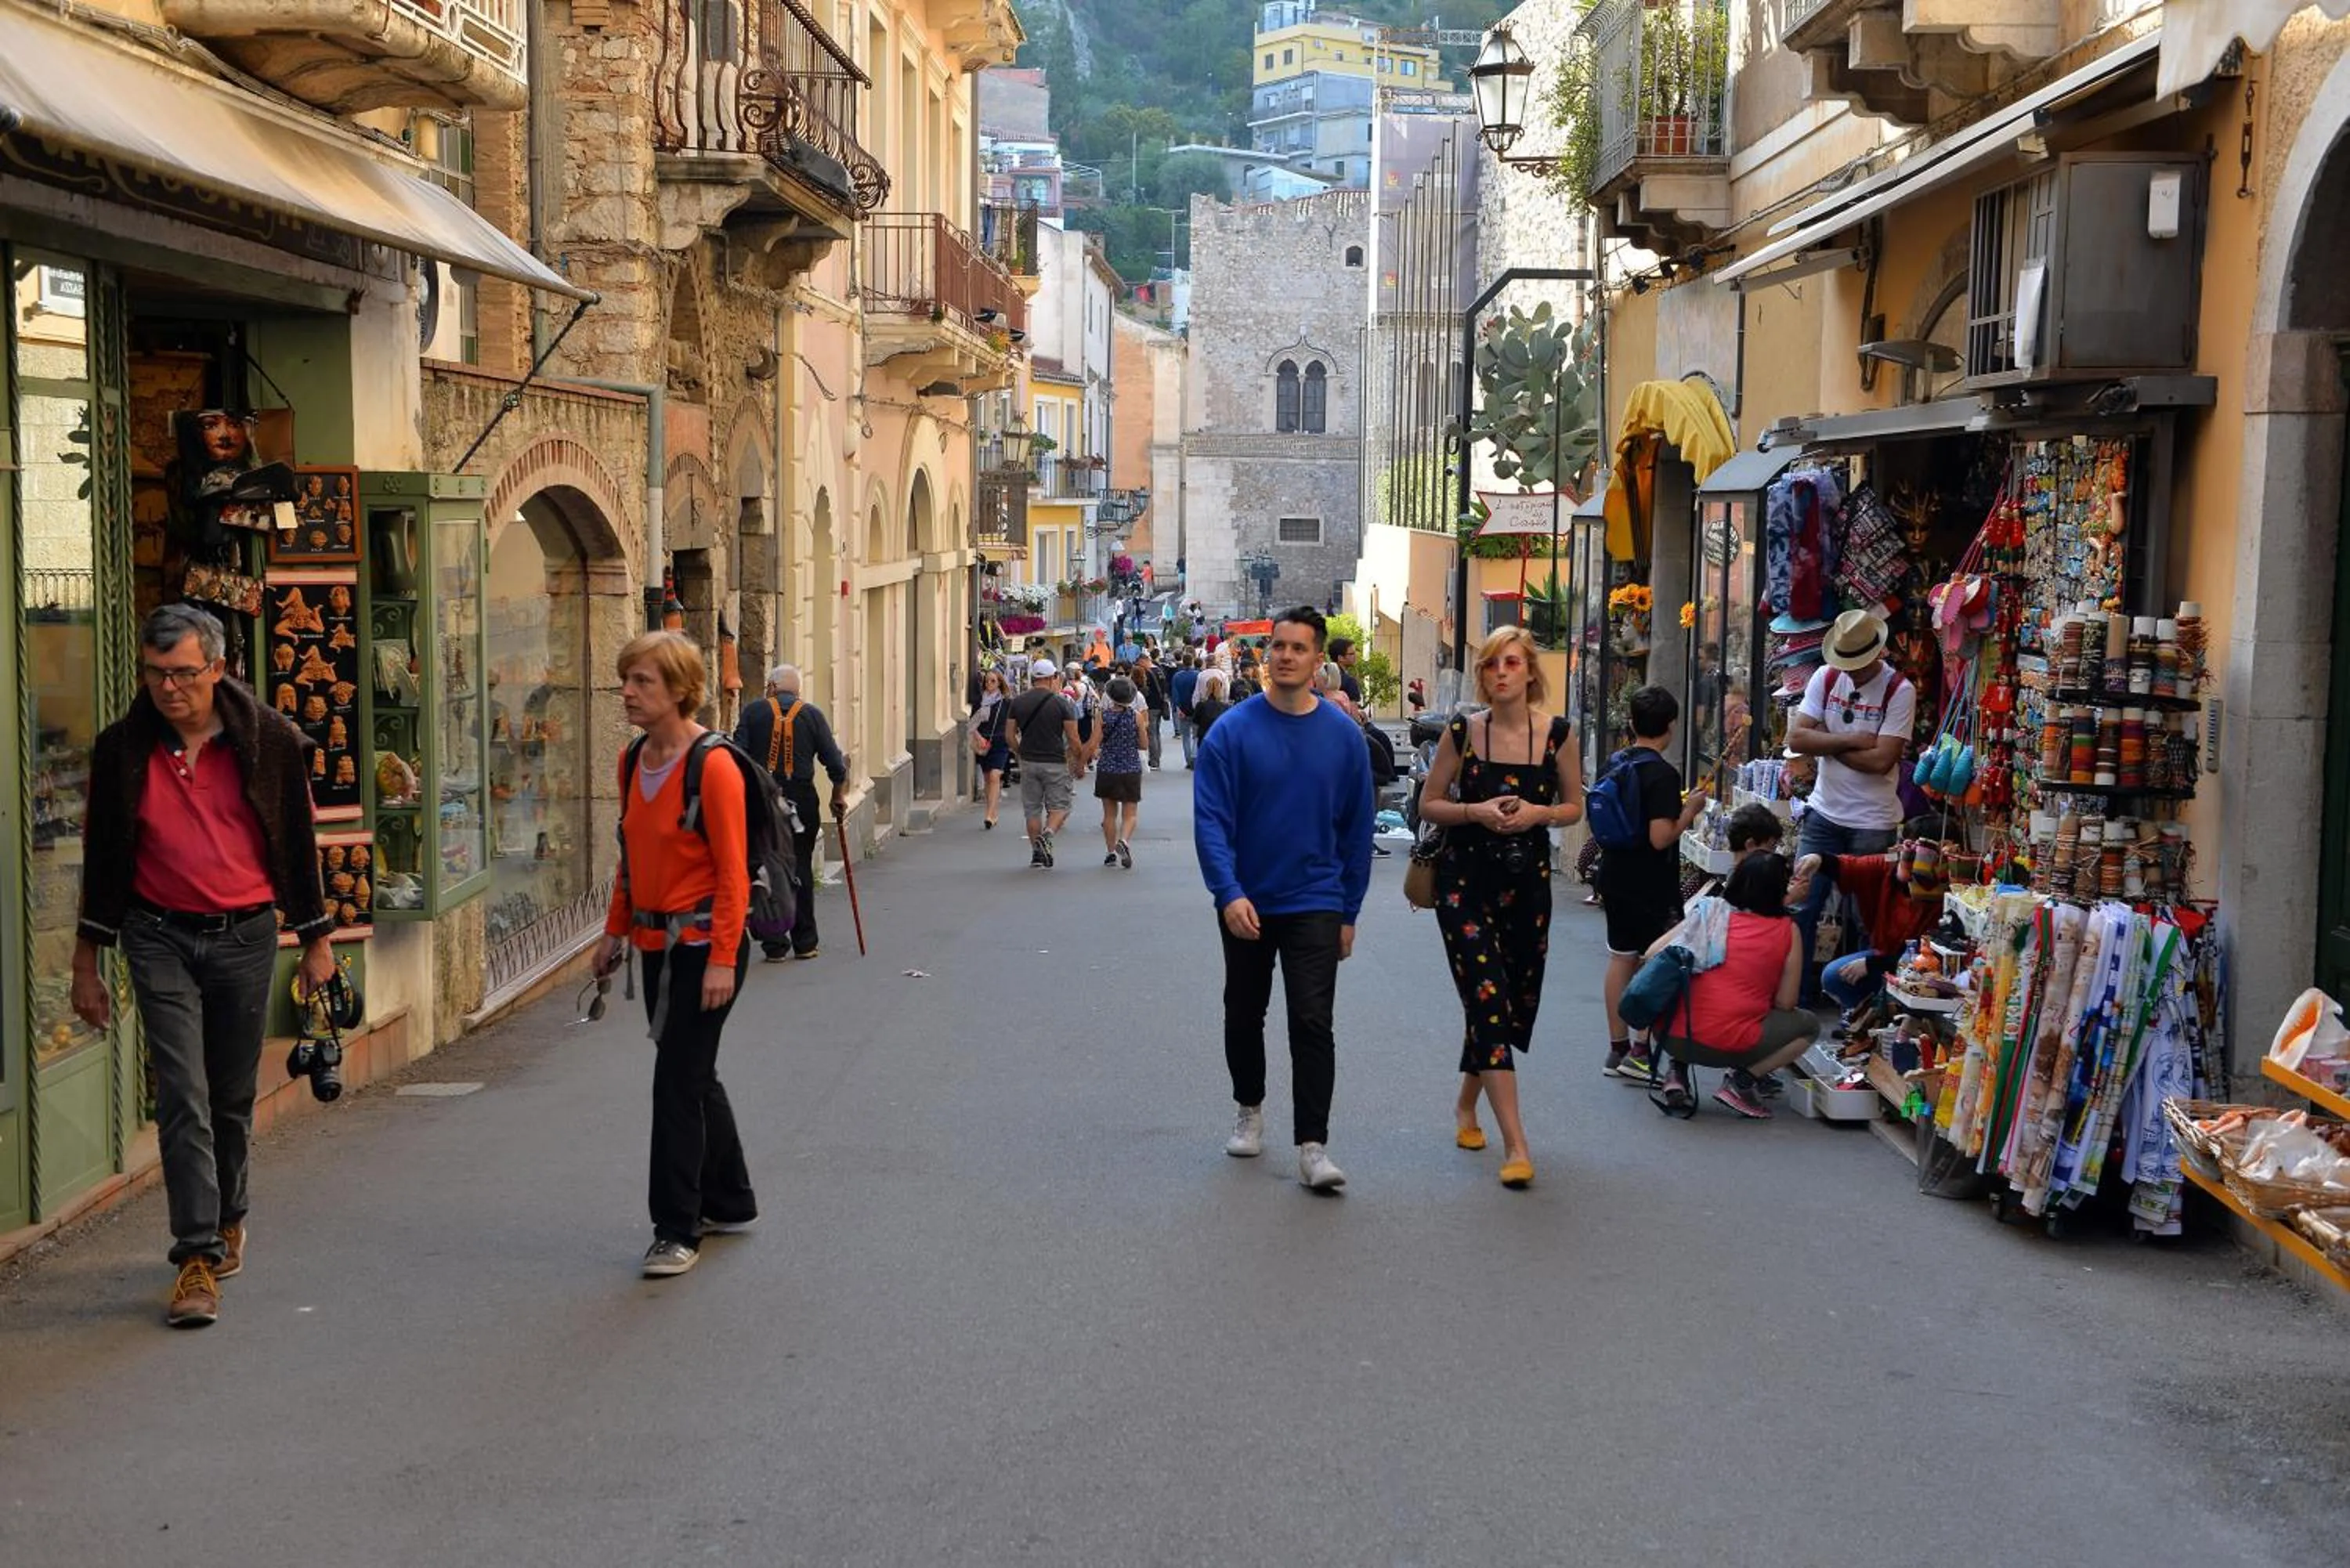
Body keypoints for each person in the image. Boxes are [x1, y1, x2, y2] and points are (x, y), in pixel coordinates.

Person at [72, 604, 335, 1328]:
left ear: (217, 669)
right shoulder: (123, 749)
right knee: (182, 1093)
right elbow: (102, 859)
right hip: (157, 934)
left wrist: (316, 940)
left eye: (184, 673)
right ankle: (194, 1256)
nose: (169, 687)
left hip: (245, 936)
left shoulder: (270, 741)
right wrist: (86, 960)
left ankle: (230, 1216)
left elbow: (296, 842)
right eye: (156, 674)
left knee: (228, 1098)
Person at [1193, 605, 1373, 1191]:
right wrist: (1227, 892)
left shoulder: (1344, 737)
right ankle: (1249, 1108)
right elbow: (1212, 821)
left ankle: (1313, 1147)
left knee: (1312, 1020)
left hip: (1316, 899)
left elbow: (1357, 829)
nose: (1286, 656)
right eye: (1278, 647)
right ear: (1267, 655)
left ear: (1319, 659)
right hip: (1247, 898)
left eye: (1299, 648)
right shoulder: (1232, 732)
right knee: (1244, 1013)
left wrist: (1349, 911)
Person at [595, 632, 757, 1279]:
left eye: (644, 682)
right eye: (626, 679)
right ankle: (730, 1197)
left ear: (680, 690)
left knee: (675, 1082)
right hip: (655, 944)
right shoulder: (633, 761)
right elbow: (632, 857)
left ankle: (676, 1228)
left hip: (703, 946)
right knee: (692, 1072)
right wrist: (613, 933)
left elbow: (734, 872)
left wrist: (722, 957)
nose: (629, 692)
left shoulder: (712, 766)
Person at [1415, 627, 1582, 1189]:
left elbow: (1575, 806)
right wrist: (1478, 812)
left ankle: (1466, 1106)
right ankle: (1516, 1142)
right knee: (1487, 997)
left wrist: (1539, 815)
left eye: (1511, 663)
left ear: (1531, 673)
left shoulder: (1558, 735)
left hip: (1527, 887)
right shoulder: (1463, 732)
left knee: (1504, 1003)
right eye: (1490, 666)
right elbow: (1430, 803)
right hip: (1464, 883)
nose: (1501, 673)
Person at [1788, 610, 1914, 998]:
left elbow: (1882, 762)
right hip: (1824, 812)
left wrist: (1825, 739)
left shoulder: (1900, 690)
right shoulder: (1825, 678)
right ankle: (1796, 997)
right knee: (1801, 904)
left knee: (1869, 918)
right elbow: (1796, 739)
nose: (1853, 673)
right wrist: (1853, 740)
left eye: (1858, 665)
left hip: (1873, 822)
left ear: (1876, 653)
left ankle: (1860, 1008)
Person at [1649, 853, 1823, 1119]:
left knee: (1696, 992)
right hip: (1730, 1043)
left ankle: (1677, 1071)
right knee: (1809, 1026)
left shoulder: (1711, 913)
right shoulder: (1788, 931)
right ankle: (1742, 1081)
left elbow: (1652, 955)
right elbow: (1786, 1003)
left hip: (1670, 1035)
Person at [1596, 685, 1708, 1084]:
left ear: (1631, 723)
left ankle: (1618, 1048)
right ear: (1672, 726)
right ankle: (1642, 1052)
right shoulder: (1661, 773)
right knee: (1651, 960)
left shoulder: (1616, 761)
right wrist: (1691, 810)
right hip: (1649, 878)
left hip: (1613, 870)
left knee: (1620, 956)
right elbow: (1661, 836)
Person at [732, 663, 848, 961]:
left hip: (762, 801)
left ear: (771, 687)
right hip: (802, 801)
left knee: (766, 867)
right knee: (800, 867)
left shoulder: (753, 713)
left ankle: (774, 943)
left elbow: (736, 757)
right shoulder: (812, 715)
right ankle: (805, 942)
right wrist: (838, 797)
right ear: (797, 692)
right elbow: (836, 766)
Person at [1795, 827, 1946, 1024]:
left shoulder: (1942, 896)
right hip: (1886, 955)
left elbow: (1929, 957)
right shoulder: (1887, 866)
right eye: (1907, 851)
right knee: (1835, 975)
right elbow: (1851, 866)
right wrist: (1819, 859)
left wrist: (1874, 965)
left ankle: (1890, 1019)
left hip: (1920, 969)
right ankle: (1869, 1017)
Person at [1003, 658, 1084, 869]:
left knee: (1032, 809)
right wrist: (1079, 760)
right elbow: (1074, 738)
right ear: (1052, 678)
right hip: (1055, 761)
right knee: (1061, 807)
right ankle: (1048, 835)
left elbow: (1010, 735)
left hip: (1029, 762)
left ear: (1033, 679)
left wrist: (1020, 752)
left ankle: (1036, 855)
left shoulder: (1018, 702)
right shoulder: (1062, 703)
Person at [1094, 674, 1147, 867]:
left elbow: (1095, 741)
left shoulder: (1104, 715)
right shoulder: (1137, 716)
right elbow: (1143, 744)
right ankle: (1123, 841)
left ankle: (1110, 853)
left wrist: (1082, 760)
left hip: (1107, 767)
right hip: (1130, 768)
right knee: (1130, 813)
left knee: (1109, 815)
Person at [969, 667, 1014, 829]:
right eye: (987, 681)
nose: (989, 684)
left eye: (993, 681)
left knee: (995, 776)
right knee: (988, 778)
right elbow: (972, 725)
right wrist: (979, 738)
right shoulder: (979, 702)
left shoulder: (1006, 702)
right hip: (983, 743)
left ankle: (990, 813)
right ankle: (992, 813)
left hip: (1000, 743)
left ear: (1000, 683)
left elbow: (1012, 723)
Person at [1135, 650, 1169, 770]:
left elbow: (1145, 690)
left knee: (1151, 733)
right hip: (1160, 705)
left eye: (1140, 663)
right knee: (1157, 733)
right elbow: (1165, 687)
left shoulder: (1147, 673)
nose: (1139, 666)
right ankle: (1157, 757)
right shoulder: (1159, 670)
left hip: (1151, 706)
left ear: (1144, 661)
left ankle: (1154, 760)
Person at [1170, 651, 1202, 769]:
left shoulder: (1177, 676)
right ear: (1192, 662)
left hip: (1183, 708)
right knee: (1196, 735)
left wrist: (1177, 708)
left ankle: (1188, 760)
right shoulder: (1198, 675)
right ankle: (1195, 758)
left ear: (1183, 663)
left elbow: (1175, 694)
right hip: (1195, 709)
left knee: (1186, 736)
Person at [1191, 667, 1234, 742]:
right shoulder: (1225, 707)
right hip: (1218, 737)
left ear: (1207, 687)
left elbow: (1195, 720)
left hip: (1204, 736)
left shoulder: (1201, 705)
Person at [1328, 634, 1363, 706]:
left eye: (1355, 652)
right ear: (1341, 658)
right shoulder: (1350, 682)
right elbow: (1353, 715)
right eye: (1352, 654)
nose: (1356, 656)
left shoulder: (1322, 676)